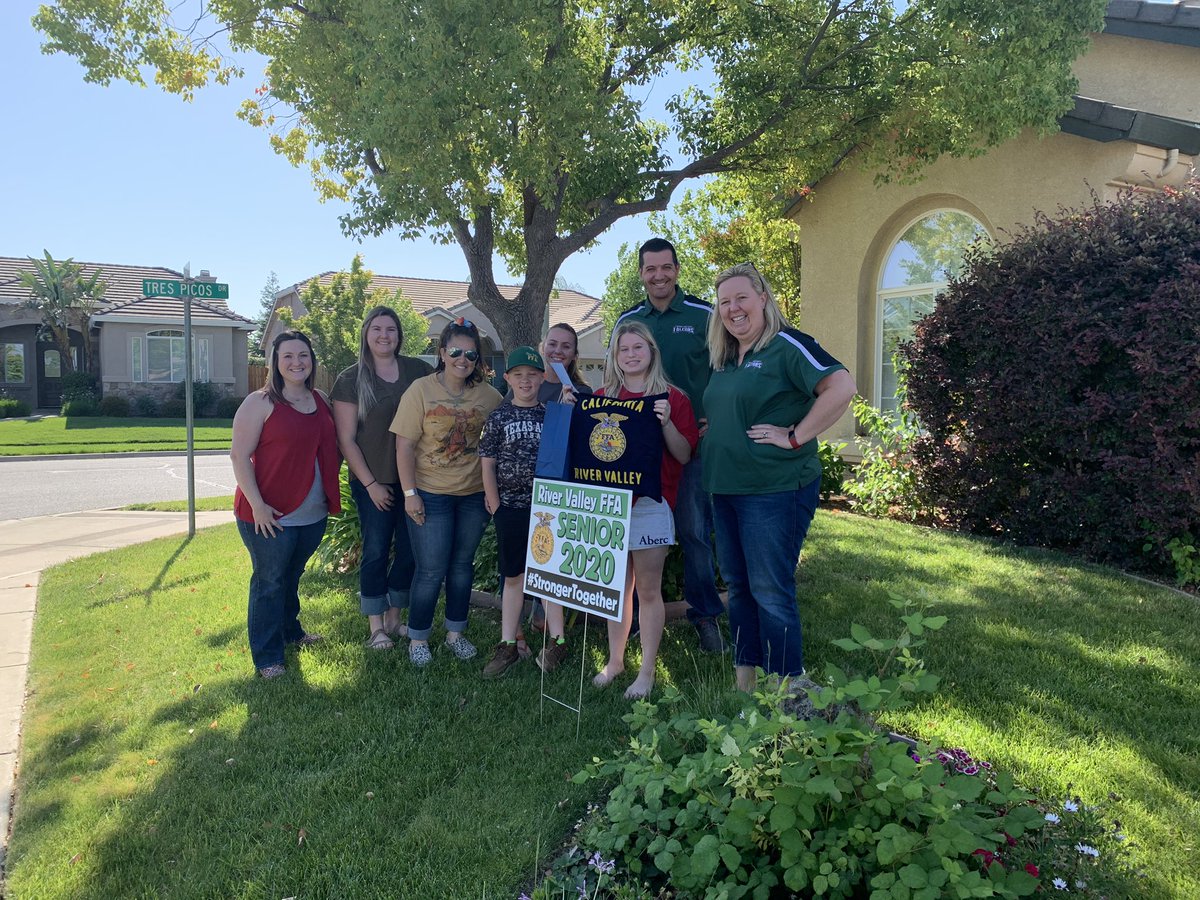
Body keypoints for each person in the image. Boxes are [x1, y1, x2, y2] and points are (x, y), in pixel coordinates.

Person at [702, 262, 856, 694]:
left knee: (770, 587)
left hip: (774, 488)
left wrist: (795, 436)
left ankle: (789, 689)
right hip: (726, 487)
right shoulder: (726, 356)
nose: (732, 309)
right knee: (739, 586)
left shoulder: (787, 345)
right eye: (725, 302)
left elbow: (841, 387)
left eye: (741, 298)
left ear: (764, 298)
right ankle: (746, 684)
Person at [614, 238, 725, 652]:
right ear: (641, 274)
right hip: (634, 454)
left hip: (688, 447)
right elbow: (616, 372)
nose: (658, 275)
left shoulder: (703, 315)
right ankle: (640, 618)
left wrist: (718, 415)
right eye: (650, 269)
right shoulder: (629, 320)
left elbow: (727, 368)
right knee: (629, 534)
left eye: (665, 267)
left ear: (677, 269)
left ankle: (705, 615)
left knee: (695, 532)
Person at [587, 320, 697, 699]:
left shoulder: (673, 398)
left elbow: (683, 454)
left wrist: (666, 423)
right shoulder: (602, 397)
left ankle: (647, 671)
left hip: (651, 504)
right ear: (615, 357)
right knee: (616, 589)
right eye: (623, 349)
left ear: (651, 351)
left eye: (638, 347)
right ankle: (616, 661)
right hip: (610, 506)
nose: (631, 355)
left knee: (648, 591)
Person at [231, 330, 342, 679]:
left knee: (291, 576)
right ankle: (267, 658)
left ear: (312, 360)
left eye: (303, 355)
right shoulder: (260, 403)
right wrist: (259, 506)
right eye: (288, 356)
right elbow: (239, 457)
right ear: (275, 363)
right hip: (269, 516)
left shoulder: (320, 398)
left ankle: (291, 632)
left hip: (312, 514)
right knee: (269, 583)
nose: (297, 362)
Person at [392, 318, 502, 667]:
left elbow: (504, 431)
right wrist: (410, 493)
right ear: (442, 353)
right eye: (455, 351)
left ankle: (455, 632)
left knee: (460, 566)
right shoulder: (421, 391)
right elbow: (404, 447)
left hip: (472, 496)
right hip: (430, 493)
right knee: (430, 569)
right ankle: (418, 637)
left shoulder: (489, 396)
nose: (462, 359)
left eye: (470, 354)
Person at [331, 306, 433, 651]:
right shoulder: (350, 379)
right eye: (377, 329)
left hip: (415, 480)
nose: (384, 336)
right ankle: (376, 626)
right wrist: (371, 485)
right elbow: (346, 439)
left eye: (391, 329)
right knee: (375, 550)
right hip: (372, 481)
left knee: (409, 551)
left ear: (399, 335)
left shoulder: (418, 370)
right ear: (366, 333)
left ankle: (394, 618)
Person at [479, 346, 569, 677]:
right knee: (513, 575)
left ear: (543, 378)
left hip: (546, 508)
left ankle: (557, 641)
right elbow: (487, 463)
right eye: (518, 375)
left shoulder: (551, 415)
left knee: (549, 576)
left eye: (532, 375)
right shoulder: (499, 416)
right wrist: (495, 503)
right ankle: (508, 644)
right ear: (508, 378)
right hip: (511, 508)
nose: (526, 381)